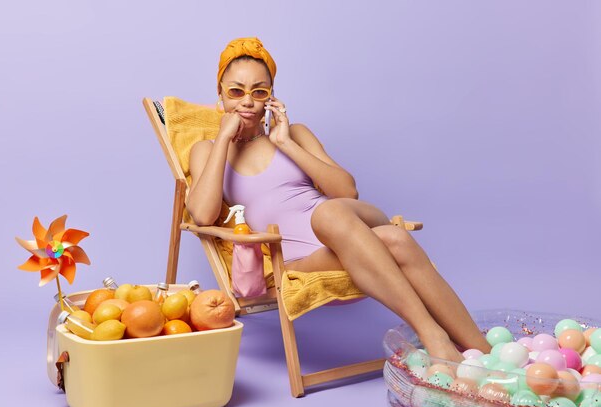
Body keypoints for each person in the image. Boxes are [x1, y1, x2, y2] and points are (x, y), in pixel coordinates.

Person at [187, 37, 491, 361]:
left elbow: (347, 191)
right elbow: (203, 216)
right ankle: (479, 352)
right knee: (395, 240)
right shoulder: (207, 150)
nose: (247, 101)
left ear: (271, 98)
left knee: (329, 212)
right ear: (220, 95)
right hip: (303, 261)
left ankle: (439, 340)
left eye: (258, 91)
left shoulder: (296, 134)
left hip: (349, 219)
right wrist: (222, 138)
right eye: (236, 91)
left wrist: (286, 143)